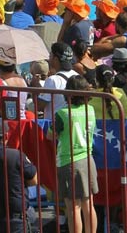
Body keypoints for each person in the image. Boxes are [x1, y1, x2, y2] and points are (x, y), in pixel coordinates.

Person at [52, 74, 98, 233]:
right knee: (88, 204)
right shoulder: (90, 109)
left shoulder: (62, 113)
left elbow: (50, 135)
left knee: (73, 208)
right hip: (88, 159)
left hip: (68, 161)